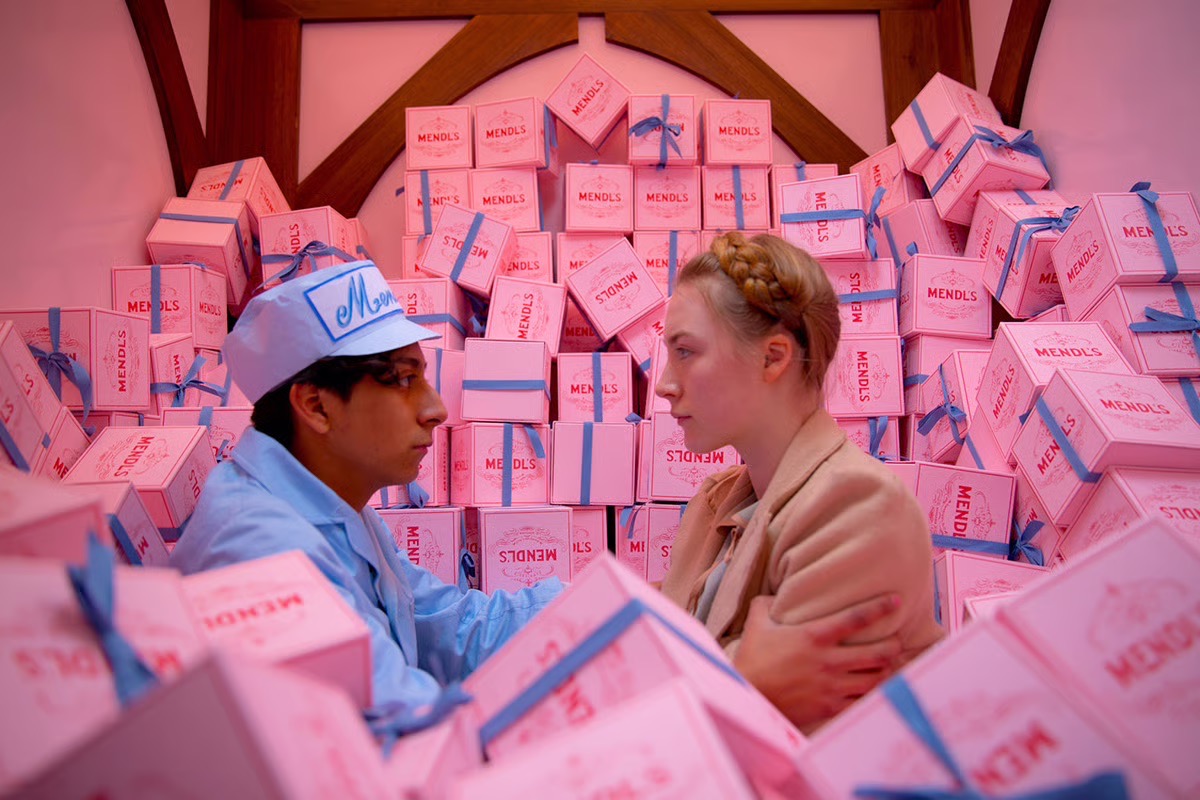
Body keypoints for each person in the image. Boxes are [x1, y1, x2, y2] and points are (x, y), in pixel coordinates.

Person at [170, 261, 563, 716]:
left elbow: (451, 629)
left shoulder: (337, 504)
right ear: (316, 405)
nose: (436, 408)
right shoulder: (261, 549)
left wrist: (620, 601)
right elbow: (402, 732)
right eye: (403, 380)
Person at [656, 232, 942, 732]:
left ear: (773, 357)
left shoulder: (859, 508)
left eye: (685, 352)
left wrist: (739, 680)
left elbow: (785, 750)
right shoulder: (714, 503)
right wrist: (745, 675)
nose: (663, 382)